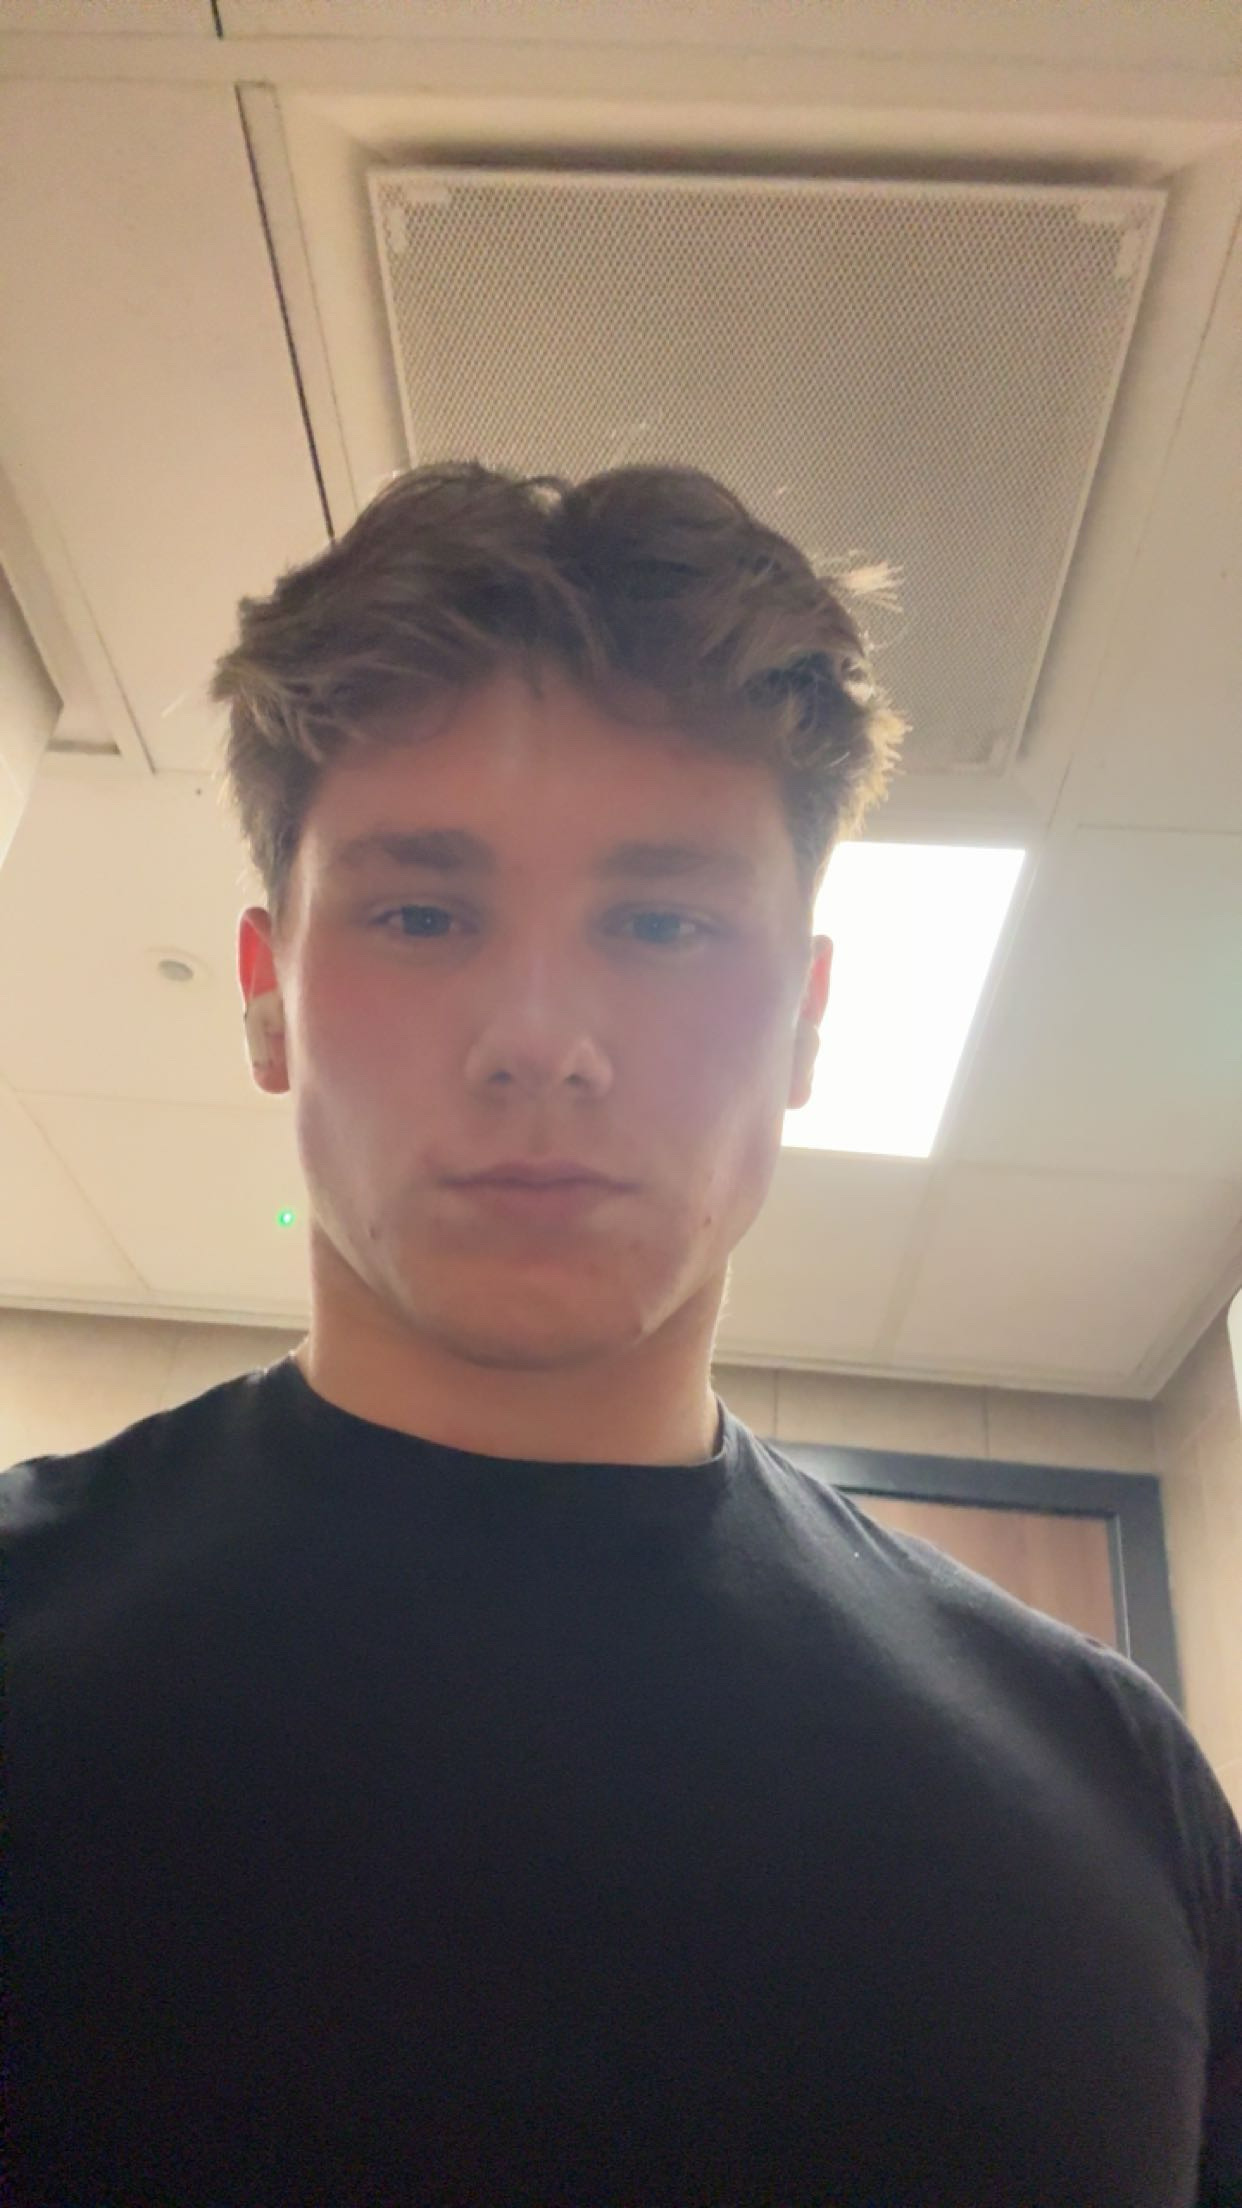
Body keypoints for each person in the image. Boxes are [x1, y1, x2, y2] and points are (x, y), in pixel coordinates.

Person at [4, 461, 1239, 2206]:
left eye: (663, 924)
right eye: (422, 914)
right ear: (269, 998)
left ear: (805, 1023)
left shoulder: (1116, 1783)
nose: (541, 1037)